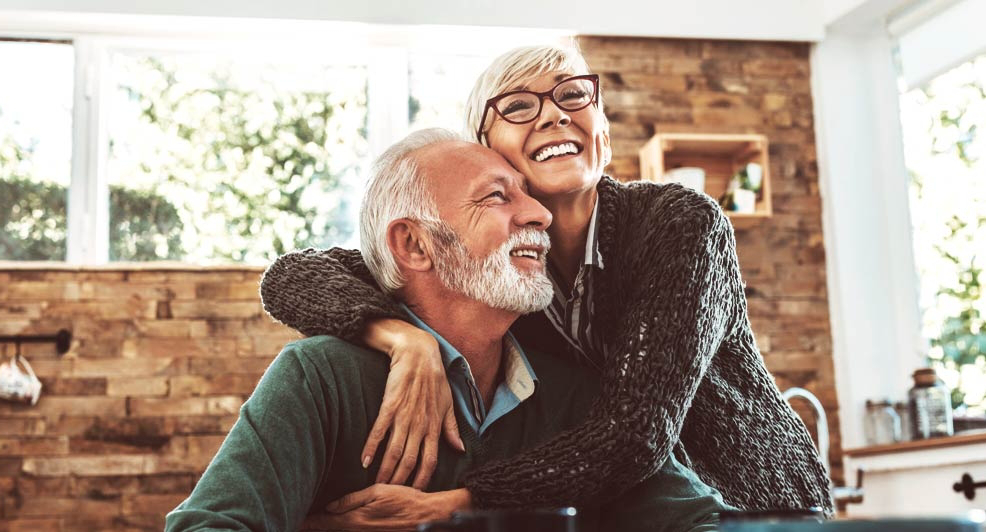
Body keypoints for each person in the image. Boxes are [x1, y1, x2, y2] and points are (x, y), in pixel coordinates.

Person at [258, 43, 833, 518]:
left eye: (573, 95)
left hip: (753, 506)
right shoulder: (495, 271)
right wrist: (403, 338)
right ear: (486, 152)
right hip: (627, 512)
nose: (554, 115)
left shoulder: (680, 224)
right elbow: (293, 275)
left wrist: (460, 504)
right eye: (517, 106)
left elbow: (634, 433)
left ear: (603, 131)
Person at [166, 129, 732, 532]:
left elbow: (705, 524)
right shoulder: (320, 378)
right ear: (414, 245)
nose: (539, 214)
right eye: (497, 196)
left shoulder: (576, 395)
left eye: (528, 194)